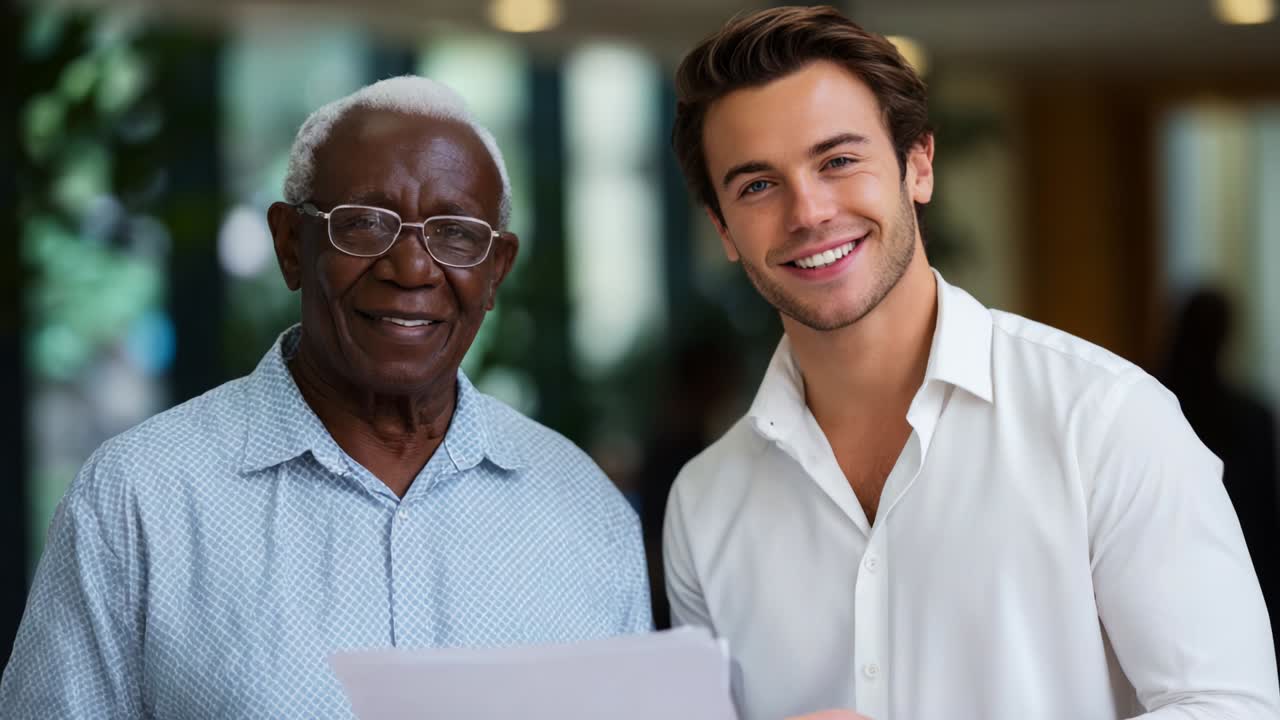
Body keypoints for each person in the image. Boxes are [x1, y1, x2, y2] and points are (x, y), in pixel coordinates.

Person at [662, 6, 1280, 720]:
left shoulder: (1104, 419)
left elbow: (1229, 710)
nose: (809, 211)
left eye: (838, 160)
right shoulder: (703, 506)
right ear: (723, 230)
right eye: (758, 185)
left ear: (918, 165)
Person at [0, 76, 651, 718]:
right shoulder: (139, 498)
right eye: (366, 224)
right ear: (290, 244)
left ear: (495, 271)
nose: (413, 269)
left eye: (455, 234)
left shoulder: (585, 511)